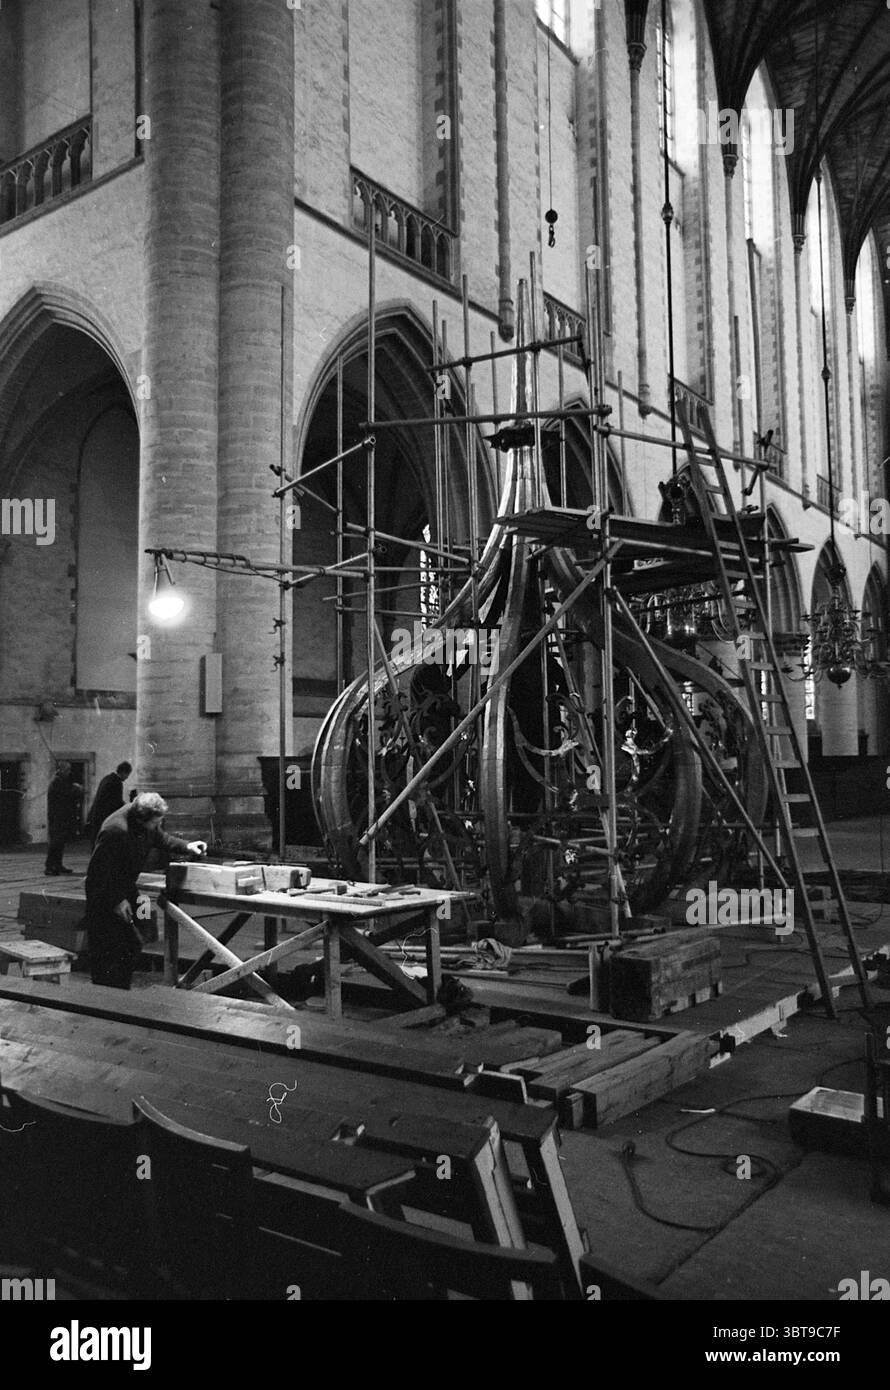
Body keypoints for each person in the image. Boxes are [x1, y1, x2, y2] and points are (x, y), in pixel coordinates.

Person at [85, 791, 207, 990]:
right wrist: (117, 900)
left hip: (125, 886)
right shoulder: (115, 830)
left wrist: (187, 846)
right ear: (142, 819)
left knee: (135, 935)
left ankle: (122, 990)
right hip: (104, 894)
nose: (157, 826)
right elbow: (98, 873)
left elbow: (161, 838)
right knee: (109, 949)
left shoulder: (145, 824)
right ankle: (106, 996)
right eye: (154, 823)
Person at [45, 762, 83, 876]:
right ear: (60, 770)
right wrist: (76, 788)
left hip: (62, 817)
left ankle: (58, 865)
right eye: (67, 770)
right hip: (57, 817)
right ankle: (49, 866)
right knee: (55, 842)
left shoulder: (62, 781)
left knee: (60, 843)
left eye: (69, 769)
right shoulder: (56, 782)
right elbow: (66, 795)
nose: (69, 772)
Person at [86, 761, 133, 847]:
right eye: (127, 775)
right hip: (104, 816)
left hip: (96, 815)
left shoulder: (107, 778)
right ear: (123, 772)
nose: (126, 778)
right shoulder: (117, 782)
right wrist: (128, 807)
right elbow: (117, 802)